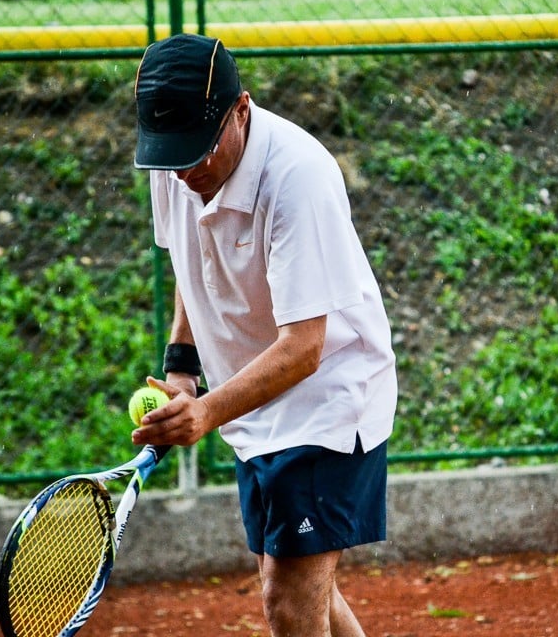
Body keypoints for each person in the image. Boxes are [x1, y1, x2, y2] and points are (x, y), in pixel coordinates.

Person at [129, 34, 397, 637]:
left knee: (286, 599)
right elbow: (191, 265)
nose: (185, 170)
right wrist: (181, 369)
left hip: (328, 396)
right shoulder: (174, 160)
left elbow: (306, 346)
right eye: (170, 155)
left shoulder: (298, 178)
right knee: (307, 594)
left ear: (241, 109)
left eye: (198, 151)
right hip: (251, 403)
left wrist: (206, 413)